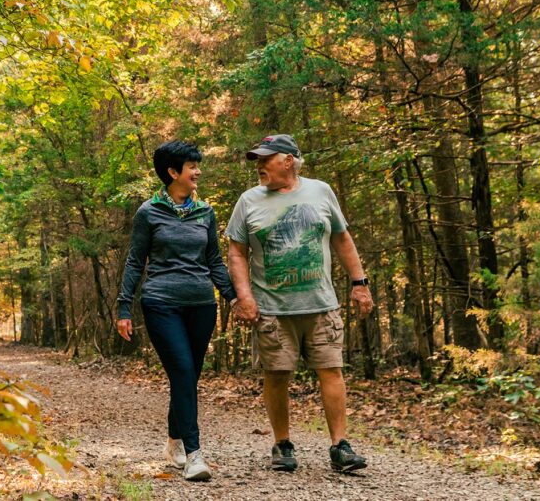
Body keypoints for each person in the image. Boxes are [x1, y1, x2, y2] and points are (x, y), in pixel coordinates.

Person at [226, 133, 374, 473]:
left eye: (266, 159)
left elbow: (341, 237)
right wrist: (244, 297)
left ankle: (340, 446)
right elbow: (236, 251)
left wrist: (360, 284)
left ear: (289, 160)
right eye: (257, 160)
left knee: (331, 371)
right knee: (276, 374)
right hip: (273, 309)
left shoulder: (320, 191)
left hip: (320, 304)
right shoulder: (248, 201)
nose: (260, 166)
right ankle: (282, 444)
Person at [116, 140, 237, 482]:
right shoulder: (149, 212)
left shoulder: (205, 212)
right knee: (183, 370)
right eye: (192, 166)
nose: (198, 171)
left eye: (198, 165)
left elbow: (213, 260)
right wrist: (124, 306)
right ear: (173, 172)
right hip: (160, 303)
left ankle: (173, 443)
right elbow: (135, 261)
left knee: (188, 376)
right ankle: (194, 455)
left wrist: (232, 297)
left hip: (201, 304)